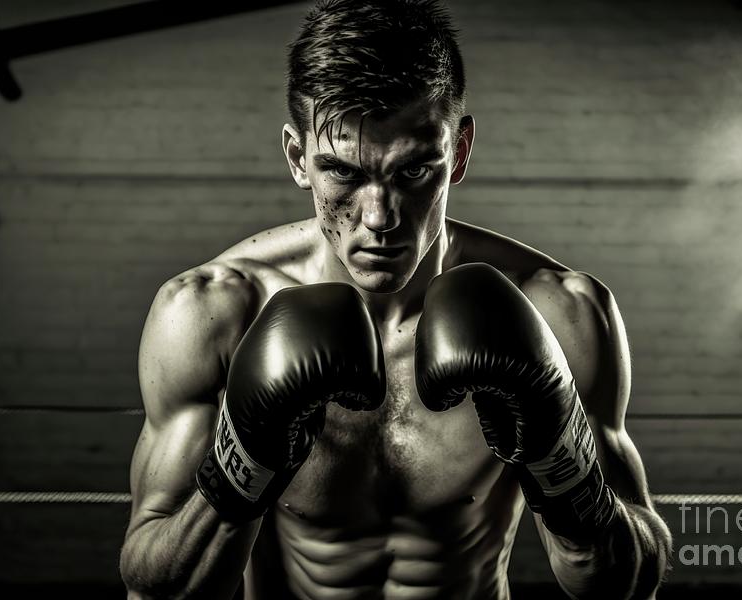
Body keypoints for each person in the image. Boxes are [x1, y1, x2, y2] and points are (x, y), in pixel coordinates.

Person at [119, 1, 672, 598]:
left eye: (412, 173)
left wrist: (562, 466)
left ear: (457, 153)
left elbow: (627, 582)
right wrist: (241, 468)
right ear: (296, 158)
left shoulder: (560, 314)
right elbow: (157, 587)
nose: (379, 217)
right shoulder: (213, 315)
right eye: (345, 174)